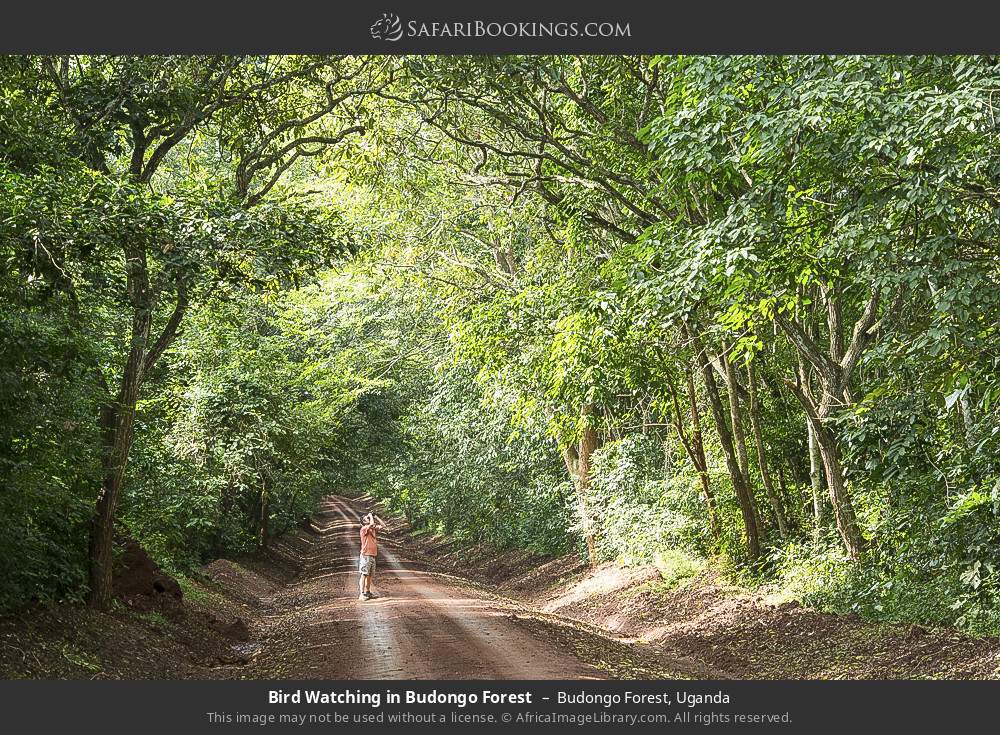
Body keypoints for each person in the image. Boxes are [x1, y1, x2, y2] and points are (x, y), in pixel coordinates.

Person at [358, 512, 385, 600]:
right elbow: (372, 523)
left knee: (369, 575)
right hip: (366, 555)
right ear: (363, 522)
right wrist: (370, 516)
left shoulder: (372, 529)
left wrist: (376, 516)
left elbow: (383, 525)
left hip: (372, 555)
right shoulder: (363, 529)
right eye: (366, 518)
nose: (368, 518)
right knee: (364, 574)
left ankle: (368, 592)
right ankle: (361, 594)